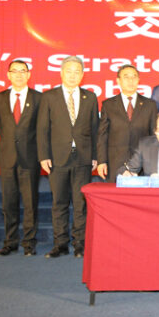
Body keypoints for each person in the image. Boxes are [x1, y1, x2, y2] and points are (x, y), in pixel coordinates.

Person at [37, 56, 99, 258]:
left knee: (80, 204)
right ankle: (60, 244)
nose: (73, 75)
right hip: (57, 158)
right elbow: (42, 129)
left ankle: (79, 244)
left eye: (77, 72)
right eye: (69, 71)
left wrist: (95, 156)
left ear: (82, 75)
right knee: (59, 203)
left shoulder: (90, 97)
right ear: (61, 73)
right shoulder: (49, 97)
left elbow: (95, 129)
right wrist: (44, 156)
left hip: (83, 158)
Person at [0, 59, 42, 257]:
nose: (19, 75)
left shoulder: (39, 98)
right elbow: (0, 127)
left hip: (30, 158)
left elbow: (41, 129)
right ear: (8, 75)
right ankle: (10, 242)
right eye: (15, 71)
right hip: (7, 158)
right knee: (9, 203)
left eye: (23, 71)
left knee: (30, 204)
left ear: (29, 74)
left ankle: (29, 243)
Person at [97, 65, 157, 182]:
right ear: (118, 81)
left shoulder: (150, 105)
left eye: (134, 77)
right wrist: (101, 161)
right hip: (115, 162)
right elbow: (102, 135)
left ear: (138, 80)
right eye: (126, 77)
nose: (131, 80)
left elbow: (154, 136)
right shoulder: (108, 105)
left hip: (142, 163)